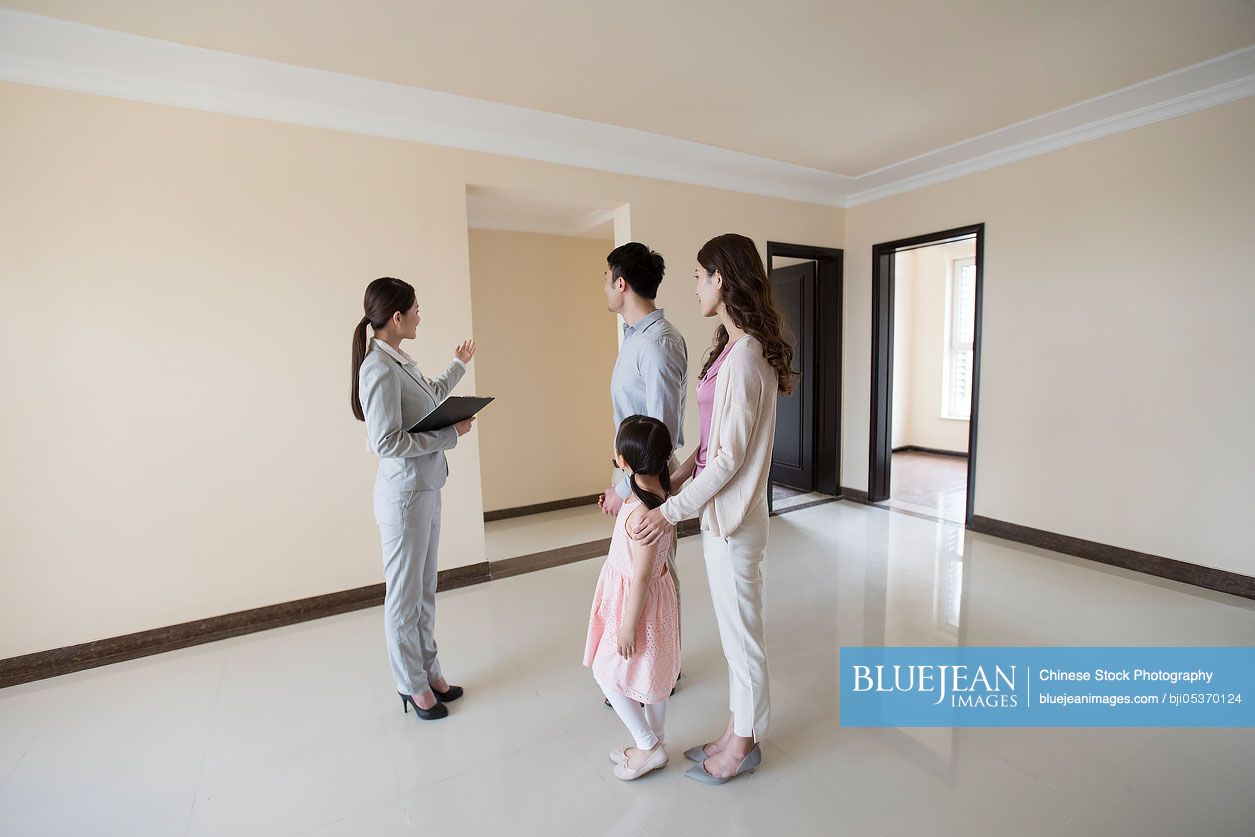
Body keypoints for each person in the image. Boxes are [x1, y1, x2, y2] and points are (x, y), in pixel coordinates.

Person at [633, 234, 795, 784]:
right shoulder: (729, 347)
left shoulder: (748, 355)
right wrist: (669, 484)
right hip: (717, 516)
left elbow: (728, 459)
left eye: (701, 276)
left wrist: (670, 510)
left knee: (743, 634)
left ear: (721, 280)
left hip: (735, 522)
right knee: (731, 632)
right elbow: (708, 447)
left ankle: (745, 743)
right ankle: (735, 729)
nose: (696, 286)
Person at [351, 276, 476, 721]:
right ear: (397, 317)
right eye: (416, 309)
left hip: (425, 489)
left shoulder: (399, 360)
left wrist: (457, 367)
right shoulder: (377, 369)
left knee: (424, 590)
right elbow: (386, 441)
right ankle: (411, 684)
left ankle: (429, 673)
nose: (421, 315)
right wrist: (449, 433)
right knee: (404, 597)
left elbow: (427, 405)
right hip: (403, 497)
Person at [598, 242, 687, 699]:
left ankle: (656, 677)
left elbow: (660, 430)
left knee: (652, 582)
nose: (604, 288)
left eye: (606, 279)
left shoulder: (656, 344)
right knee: (640, 579)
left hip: (650, 485)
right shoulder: (636, 337)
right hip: (635, 480)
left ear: (621, 283)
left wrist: (629, 488)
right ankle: (646, 672)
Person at [584, 415, 681, 781]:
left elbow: (640, 575)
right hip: (658, 599)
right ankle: (656, 740)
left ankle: (646, 745)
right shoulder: (660, 493)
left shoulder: (642, 514)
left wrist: (627, 626)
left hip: (635, 603)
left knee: (605, 671)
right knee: (654, 676)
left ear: (626, 460)